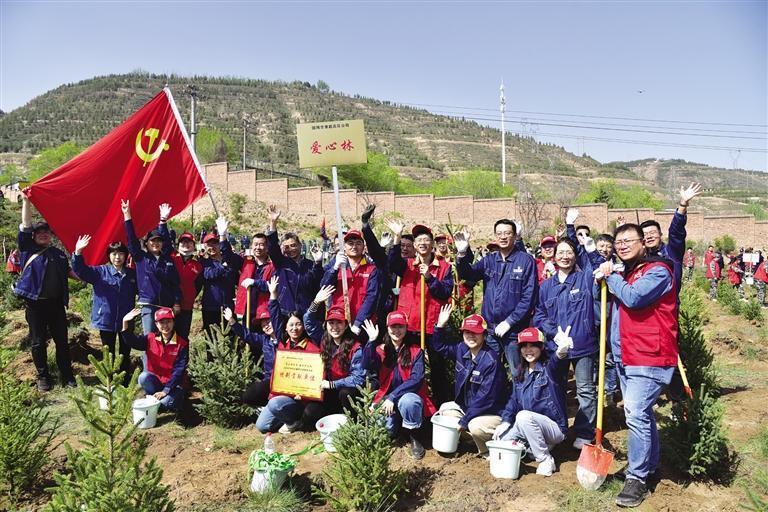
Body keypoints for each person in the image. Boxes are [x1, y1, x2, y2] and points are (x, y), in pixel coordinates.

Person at [595, 223, 679, 508]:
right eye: (618, 242)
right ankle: (650, 466)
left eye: (628, 240)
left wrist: (611, 275)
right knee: (642, 413)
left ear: (643, 243)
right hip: (626, 356)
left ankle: (637, 478)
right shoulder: (628, 273)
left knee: (635, 412)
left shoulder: (658, 271)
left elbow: (633, 298)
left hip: (649, 356)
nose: (622, 245)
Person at [533, 237, 599, 449]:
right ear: (553, 257)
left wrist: (591, 251)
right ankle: (557, 429)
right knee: (555, 389)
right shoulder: (546, 287)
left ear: (575, 256)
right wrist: (554, 333)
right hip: (556, 348)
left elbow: (599, 269)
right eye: (560, 252)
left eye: (569, 252)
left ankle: (584, 432)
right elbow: (539, 314)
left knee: (585, 390)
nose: (564, 256)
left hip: (583, 345)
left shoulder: (584, 278)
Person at [455, 219, 538, 369]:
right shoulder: (489, 260)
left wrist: (510, 322)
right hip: (490, 331)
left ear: (514, 236)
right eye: (499, 233)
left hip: (514, 331)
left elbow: (529, 297)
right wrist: (461, 254)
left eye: (507, 233)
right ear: (495, 236)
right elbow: (468, 274)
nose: (503, 237)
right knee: (489, 369)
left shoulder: (526, 261)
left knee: (517, 371)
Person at [386, 221, 454, 405]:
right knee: (406, 367)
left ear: (432, 244)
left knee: (437, 368)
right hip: (409, 327)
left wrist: (430, 278)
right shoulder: (407, 265)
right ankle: (406, 402)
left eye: (426, 240)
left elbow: (445, 292)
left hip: (432, 326)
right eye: (419, 240)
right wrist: (397, 237)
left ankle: (441, 405)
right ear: (414, 245)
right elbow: (392, 263)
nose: (422, 243)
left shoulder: (444, 267)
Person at [430, 304, 508, 456]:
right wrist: (440, 325)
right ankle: (472, 441)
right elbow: (440, 347)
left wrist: (465, 420)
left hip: (491, 412)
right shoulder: (462, 349)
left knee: (475, 425)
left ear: (484, 335)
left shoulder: (491, 361)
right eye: (467, 332)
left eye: (476, 332)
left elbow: (485, 399)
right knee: (446, 410)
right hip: (469, 408)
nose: (471, 336)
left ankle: (488, 451)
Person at [15, 195, 75, 391]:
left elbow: (70, 273)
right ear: (33, 236)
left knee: (62, 342)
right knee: (38, 343)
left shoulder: (59, 254)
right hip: (35, 305)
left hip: (56, 305)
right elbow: (26, 225)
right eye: (39, 232)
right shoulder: (27, 249)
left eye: (46, 232)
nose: (43, 234)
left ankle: (67, 376)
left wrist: (92, 277)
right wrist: (26, 202)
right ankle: (43, 377)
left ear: (51, 235)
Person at [492, 327, 570, 476]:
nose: (528, 350)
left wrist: (561, 353)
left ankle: (545, 459)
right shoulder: (519, 374)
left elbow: (557, 363)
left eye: (533, 345)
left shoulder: (549, 369)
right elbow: (513, 401)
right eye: (524, 346)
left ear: (541, 347)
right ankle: (532, 448)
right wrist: (505, 422)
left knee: (523, 416)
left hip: (554, 428)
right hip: (527, 424)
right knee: (501, 441)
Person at [362, 310, 435, 460]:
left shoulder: (415, 351)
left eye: (400, 326)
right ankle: (398, 427)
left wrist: (393, 397)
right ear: (387, 328)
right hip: (386, 399)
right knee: (386, 430)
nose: (397, 330)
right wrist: (371, 341)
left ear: (406, 328)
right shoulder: (381, 350)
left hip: (407, 396)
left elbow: (416, 379)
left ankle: (414, 436)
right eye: (393, 326)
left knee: (409, 402)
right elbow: (367, 364)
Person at [255, 276, 325, 434]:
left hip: (301, 398)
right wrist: (273, 295)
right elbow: (275, 316)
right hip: (282, 395)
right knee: (262, 426)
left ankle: (294, 422)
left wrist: (304, 394)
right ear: (285, 328)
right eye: (291, 325)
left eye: (298, 324)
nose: (295, 328)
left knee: (275, 405)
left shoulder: (312, 347)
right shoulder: (283, 343)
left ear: (303, 327)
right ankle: (285, 415)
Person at [71, 235, 137, 383]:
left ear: (126, 256)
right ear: (109, 256)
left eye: (121, 254)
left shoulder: (132, 274)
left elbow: (145, 289)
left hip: (127, 319)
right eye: (114, 254)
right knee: (108, 351)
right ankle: (109, 381)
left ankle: (125, 379)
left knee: (125, 350)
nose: (117, 257)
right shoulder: (100, 272)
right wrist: (78, 252)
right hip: (106, 319)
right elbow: (80, 270)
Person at [122, 200, 181, 334]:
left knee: (165, 338)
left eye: (159, 240)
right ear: (146, 243)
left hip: (166, 305)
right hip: (148, 305)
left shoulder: (168, 260)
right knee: (149, 339)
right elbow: (131, 240)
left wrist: (177, 302)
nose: (156, 243)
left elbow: (175, 283)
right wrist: (127, 216)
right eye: (152, 240)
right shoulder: (141, 258)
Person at [121, 307, 188, 412]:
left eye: (168, 322)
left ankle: (164, 401)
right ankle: (154, 399)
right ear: (156, 324)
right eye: (162, 322)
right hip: (156, 382)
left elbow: (178, 370)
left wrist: (166, 390)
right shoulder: (150, 338)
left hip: (174, 385)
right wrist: (125, 322)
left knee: (165, 403)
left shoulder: (182, 344)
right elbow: (132, 342)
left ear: (173, 322)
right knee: (143, 377)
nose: (165, 326)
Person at [640, 183, 702, 294]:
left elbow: (675, 232)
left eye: (652, 233)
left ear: (660, 234)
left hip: (669, 303)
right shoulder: (640, 258)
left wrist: (683, 205)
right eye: (645, 234)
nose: (649, 236)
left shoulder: (672, 253)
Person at [265, 205, 324, 316]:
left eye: (293, 245)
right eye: (286, 247)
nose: (291, 249)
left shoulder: (311, 264)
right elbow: (273, 248)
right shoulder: (281, 263)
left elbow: (319, 283)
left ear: (300, 245)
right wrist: (273, 223)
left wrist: (318, 263)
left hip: (308, 312)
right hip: (286, 313)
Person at [320, 229, 380, 335]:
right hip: (338, 322)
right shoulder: (336, 267)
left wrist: (358, 323)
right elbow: (324, 287)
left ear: (363, 246)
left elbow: (371, 298)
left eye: (358, 243)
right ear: (344, 247)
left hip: (362, 325)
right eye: (350, 243)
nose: (354, 247)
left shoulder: (371, 269)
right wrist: (335, 267)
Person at [224, 306, 277, 410]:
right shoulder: (264, 340)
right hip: (269, 380)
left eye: (268, 322)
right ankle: (265, 408)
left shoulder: (286, 340)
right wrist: (232, 321)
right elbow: (247, 335)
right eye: (263, 325)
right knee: (249, 395)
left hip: (284, 380)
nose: (266, 326)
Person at [200, 216, 243, 339]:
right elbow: (209, 274)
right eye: (209, 244)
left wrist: (223, 236)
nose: (212, 247)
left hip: (228, 306)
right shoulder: (203, 262)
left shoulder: (229, 260)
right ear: (204, 246)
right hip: (210, 307)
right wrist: (223, 268)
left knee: (231, 337)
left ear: (219, 244)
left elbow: (237, 278)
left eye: (215, 243)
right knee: (211, 338)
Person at [235, 233, 274, 329]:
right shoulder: (246, 262)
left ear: (267, 247)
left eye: (261, 244)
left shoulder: (272, 266)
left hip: (264, 312)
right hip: (248, 310)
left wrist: (255, 282)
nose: (258, 247)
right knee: (248, 336)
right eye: (255, 244)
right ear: (252, 246)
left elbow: (272, 286)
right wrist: (222, 236)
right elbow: (229, 257)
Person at [170, 231, 203, 339]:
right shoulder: (171, 258)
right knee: (168, 336)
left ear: (194, 246)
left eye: (189, 242)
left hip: (186, 307)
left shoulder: (198, 265)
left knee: (183, 337)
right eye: (183, 242)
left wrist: (189, 296)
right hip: (169, 305)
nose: (186, 244)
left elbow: (198, 286)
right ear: (178, 245)